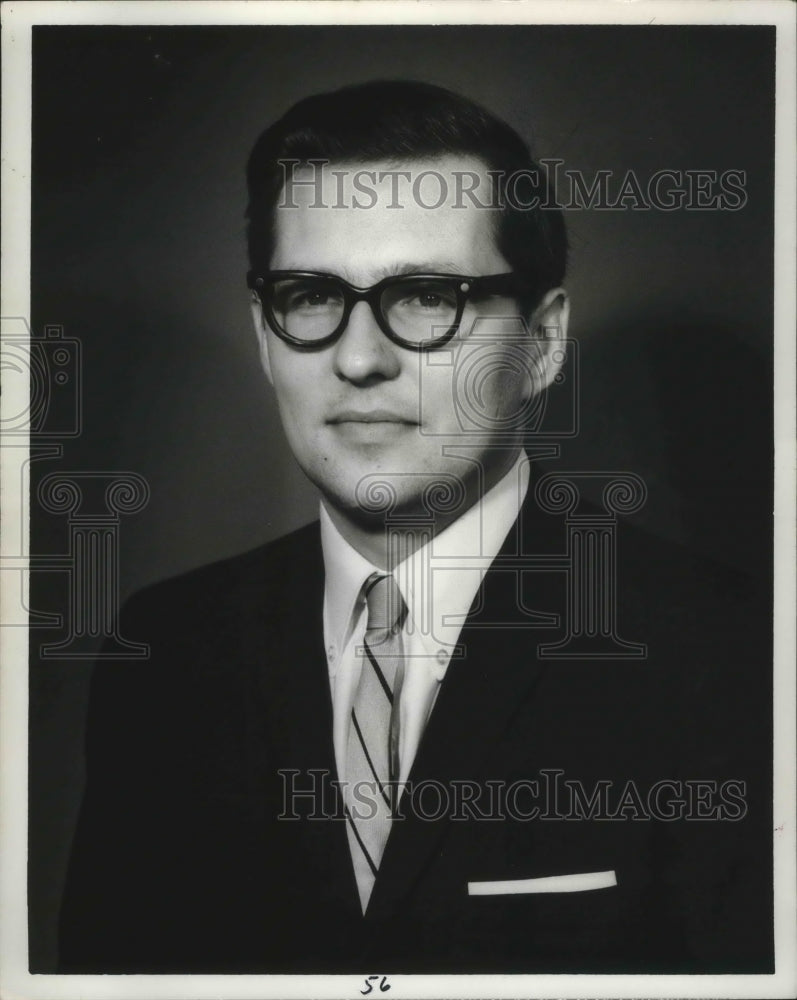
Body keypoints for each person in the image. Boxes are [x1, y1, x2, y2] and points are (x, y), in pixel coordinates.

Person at [58, 80, 772, 974]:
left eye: (429, 296)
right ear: (263, 333)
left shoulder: (730, 653)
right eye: (312, 295)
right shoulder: (162, 653)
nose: (360, 358)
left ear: (541, 343)